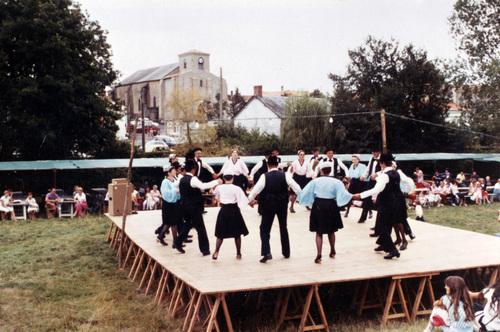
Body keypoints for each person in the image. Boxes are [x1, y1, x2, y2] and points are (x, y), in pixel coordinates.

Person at [353, 153, 414, 259]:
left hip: (387, 202)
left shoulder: (384, 176)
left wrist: (360, 195)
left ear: (382, 163)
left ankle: (393, 250)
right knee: (389, 224)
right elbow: (407, 182)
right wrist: (410, 191)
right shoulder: (396, 173)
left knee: (382, 227)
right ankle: (384, 244)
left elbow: (376, 190)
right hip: (397, 201)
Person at [248, 155, 302, 263]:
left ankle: (266, 252)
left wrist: (250, 200)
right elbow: (297, 188)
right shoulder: (285, 175)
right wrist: (300, 198)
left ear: (268, 165)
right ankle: (286, 252)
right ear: (277, 165)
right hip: (282, 205)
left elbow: (256, 190)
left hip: (268, 205)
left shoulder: (264, 176)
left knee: (264, 229)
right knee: (283, 227)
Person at [298, 161, 353, 263]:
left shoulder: (315, 181)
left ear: (321, 171)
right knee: (331, 230)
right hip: (331, 205)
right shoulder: (337, 182)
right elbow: (344, 194)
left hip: (318, 205)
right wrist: (352, 196)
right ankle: (332, 250)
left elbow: (304, 192)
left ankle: (319, 254)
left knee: (319, 232)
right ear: (330, 171)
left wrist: (304, 200)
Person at [174, 160, 222, 255]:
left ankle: (178, 243)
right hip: (193, 207)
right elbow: (203, 186)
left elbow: (176, 189)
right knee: (200, 228)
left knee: (188, 225)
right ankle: (205, 250)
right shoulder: (193, 179)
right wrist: (216, 181)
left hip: (184, 206)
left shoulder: (181, 179)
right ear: (194, 169)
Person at [212, 169, 249, 260]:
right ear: (232, 178)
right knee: (237, 233)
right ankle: (238, 253)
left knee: (220, 234)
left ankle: (216, 251)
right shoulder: (237, 188)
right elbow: (243, 201)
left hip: (224, 210)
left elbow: (215, 197)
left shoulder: (219, 187)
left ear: (224, 178)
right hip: (234, 210)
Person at [158, 165, 183, 247]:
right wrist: (175, 191)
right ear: (169, 173)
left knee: (169, 223)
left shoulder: (175, 180)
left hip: (174, 203)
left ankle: (161, 236)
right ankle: (176, 242)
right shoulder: (165, 181)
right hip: (168, 203)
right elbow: (165, 194)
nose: (175, 171)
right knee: (173, 223)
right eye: (173, 170)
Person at [358, 147, 381, 223]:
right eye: (373, 152)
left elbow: (384, 170)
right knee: (366, 198)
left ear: (379, 152)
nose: (374, 154)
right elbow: (368, 169)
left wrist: (377, 175)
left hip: (379, 181)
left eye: (375, 152)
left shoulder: (382, 159)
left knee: (378, 200)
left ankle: (378, 223)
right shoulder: (371, 158)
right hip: (371, 181)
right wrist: (363, 176)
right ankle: (363, 217)